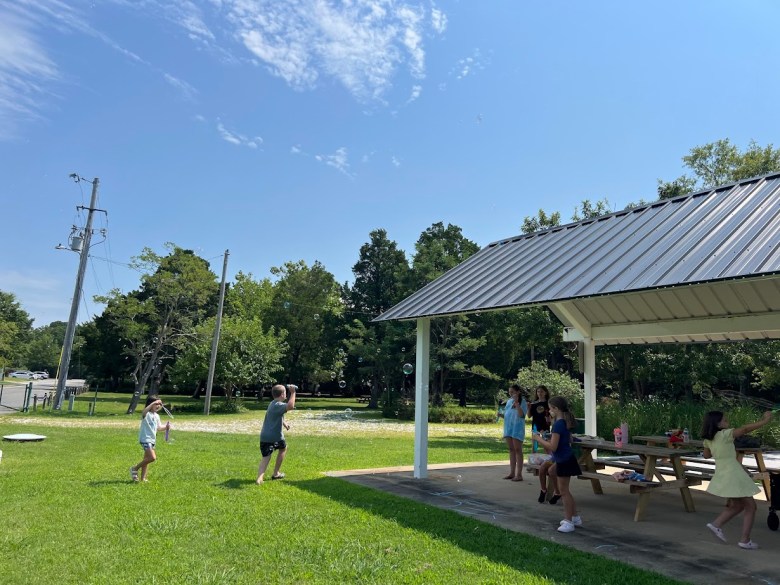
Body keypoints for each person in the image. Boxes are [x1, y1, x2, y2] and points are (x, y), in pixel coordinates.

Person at [701, 410, 773, 549]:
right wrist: (764, 421)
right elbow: (745, 429)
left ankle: (716, 525)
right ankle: (745, 540)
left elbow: (706, 455)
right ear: (717, 424)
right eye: (725, 420)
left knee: (737, 505)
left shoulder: (708, 439)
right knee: (751, 506)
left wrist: (718, 448)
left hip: (723, 474)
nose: (727, 421)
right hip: (733, 473)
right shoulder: (725, 434)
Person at [533, 396, 582, 532]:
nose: (549, 411)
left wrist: (538, 439)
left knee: (564, 492)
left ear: (556, 408)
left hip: (564, 460)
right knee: (553, 473)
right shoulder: (563, 422)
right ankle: (575, 517)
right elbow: (567, 439)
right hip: (565, 459)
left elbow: (553, 447)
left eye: (550, 408)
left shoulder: (558, 424)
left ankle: (568, 522)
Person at [256, 383, 296, 484]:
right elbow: (290, 406)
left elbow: (278, 415)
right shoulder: (278, 405)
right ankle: (276, 473)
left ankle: (259, 478)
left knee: (266, 457)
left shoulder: (273, 404)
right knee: (283, 448)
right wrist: (293, 393)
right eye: (286, 393)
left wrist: (285, 424)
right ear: (282, 394)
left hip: (265, 436)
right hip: (275, 436)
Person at [129, 395, 170, 482]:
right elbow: (143, 412)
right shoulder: (146, 414)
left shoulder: (157, 416)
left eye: (160, 404)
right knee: (152, 458)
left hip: (152, 439)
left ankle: (143, 478)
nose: (158, 406)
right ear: (150, 404)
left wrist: (166, 427)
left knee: (146, 460)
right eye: (156, 404)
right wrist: (153, 403)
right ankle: (134, 468)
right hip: (145, 439)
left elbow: (159, 428)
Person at [499, 384, 527, 481]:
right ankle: (512, 473)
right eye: (509, 392)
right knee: (511, 450)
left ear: (518, 392)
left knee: (518, 450)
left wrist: (517, 403)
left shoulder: (523, 402)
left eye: (512, 392)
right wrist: (500, 415)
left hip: (517, 428)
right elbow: (507, 415)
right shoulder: (509, 402)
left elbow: (521, 415)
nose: (510, 394)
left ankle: (519, 474)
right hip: (508, 428)